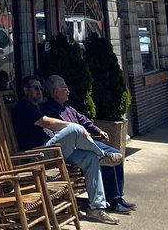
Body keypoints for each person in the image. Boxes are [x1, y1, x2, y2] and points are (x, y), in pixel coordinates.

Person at [12, 75, 119, 225]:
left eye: (40, 89)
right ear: (25, 90)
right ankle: (101, 155)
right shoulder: (23, 107)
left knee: (89, 158)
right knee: (74, 128)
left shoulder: (35, 107)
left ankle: (96, 208)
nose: (39, 92)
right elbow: (47, 122)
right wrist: (73, 127)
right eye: (35, 88)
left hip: (53, 150)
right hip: (40, 154)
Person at [42, 75, 135, 215]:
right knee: (105, 159)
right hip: (75, 147)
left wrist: (98, 130)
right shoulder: (49, 110)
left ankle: (118, 196)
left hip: (89, 143)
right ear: (55, 92)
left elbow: (83, 119)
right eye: (65, 88)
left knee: (117, 155)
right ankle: (114, 200)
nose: (68, 91)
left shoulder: (67, 107)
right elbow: (62, 134)